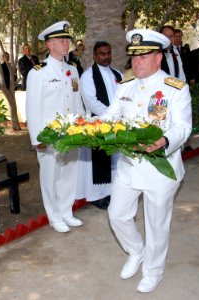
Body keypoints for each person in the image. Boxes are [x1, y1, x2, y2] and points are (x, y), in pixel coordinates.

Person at [103, 29, 192, 293]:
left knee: (156, 223)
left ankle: (153, 270)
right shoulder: (125, 87)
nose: (136, 63)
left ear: (158, 58)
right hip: (129, 166)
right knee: (117, 214)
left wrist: (164, 141)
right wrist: (86, 127)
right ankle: (136, 250)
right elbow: (110, 117)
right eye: (134, 57)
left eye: (143, 57)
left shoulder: (175, 89)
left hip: (160, 168)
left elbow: (183, 127)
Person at [26, 21, 84, 233]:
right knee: (50, 175)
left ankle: (66, 211)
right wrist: (37, 138)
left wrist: (82, 126)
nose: (66, 43)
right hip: (50, 135)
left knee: (70, 172)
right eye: (61, 40)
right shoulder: (38, 72)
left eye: (67, 39)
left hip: (72, 132)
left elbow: (78, 101)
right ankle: (54, 215)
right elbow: (33, 108)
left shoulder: (73, 69)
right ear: (49, 44)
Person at [77, 41, 122, 210]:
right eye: (102, 54)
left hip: (116, 124)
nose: (106, 57)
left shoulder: (117, 74)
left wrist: (119, 117)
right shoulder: (88, 76)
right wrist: (111, 117)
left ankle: (112, 192)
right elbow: (91, 101)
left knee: (115, 161)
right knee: (99, 163)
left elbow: (124, 97)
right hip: (98, 123)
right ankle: (97, 196)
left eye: (108, 53)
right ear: (94, 56)